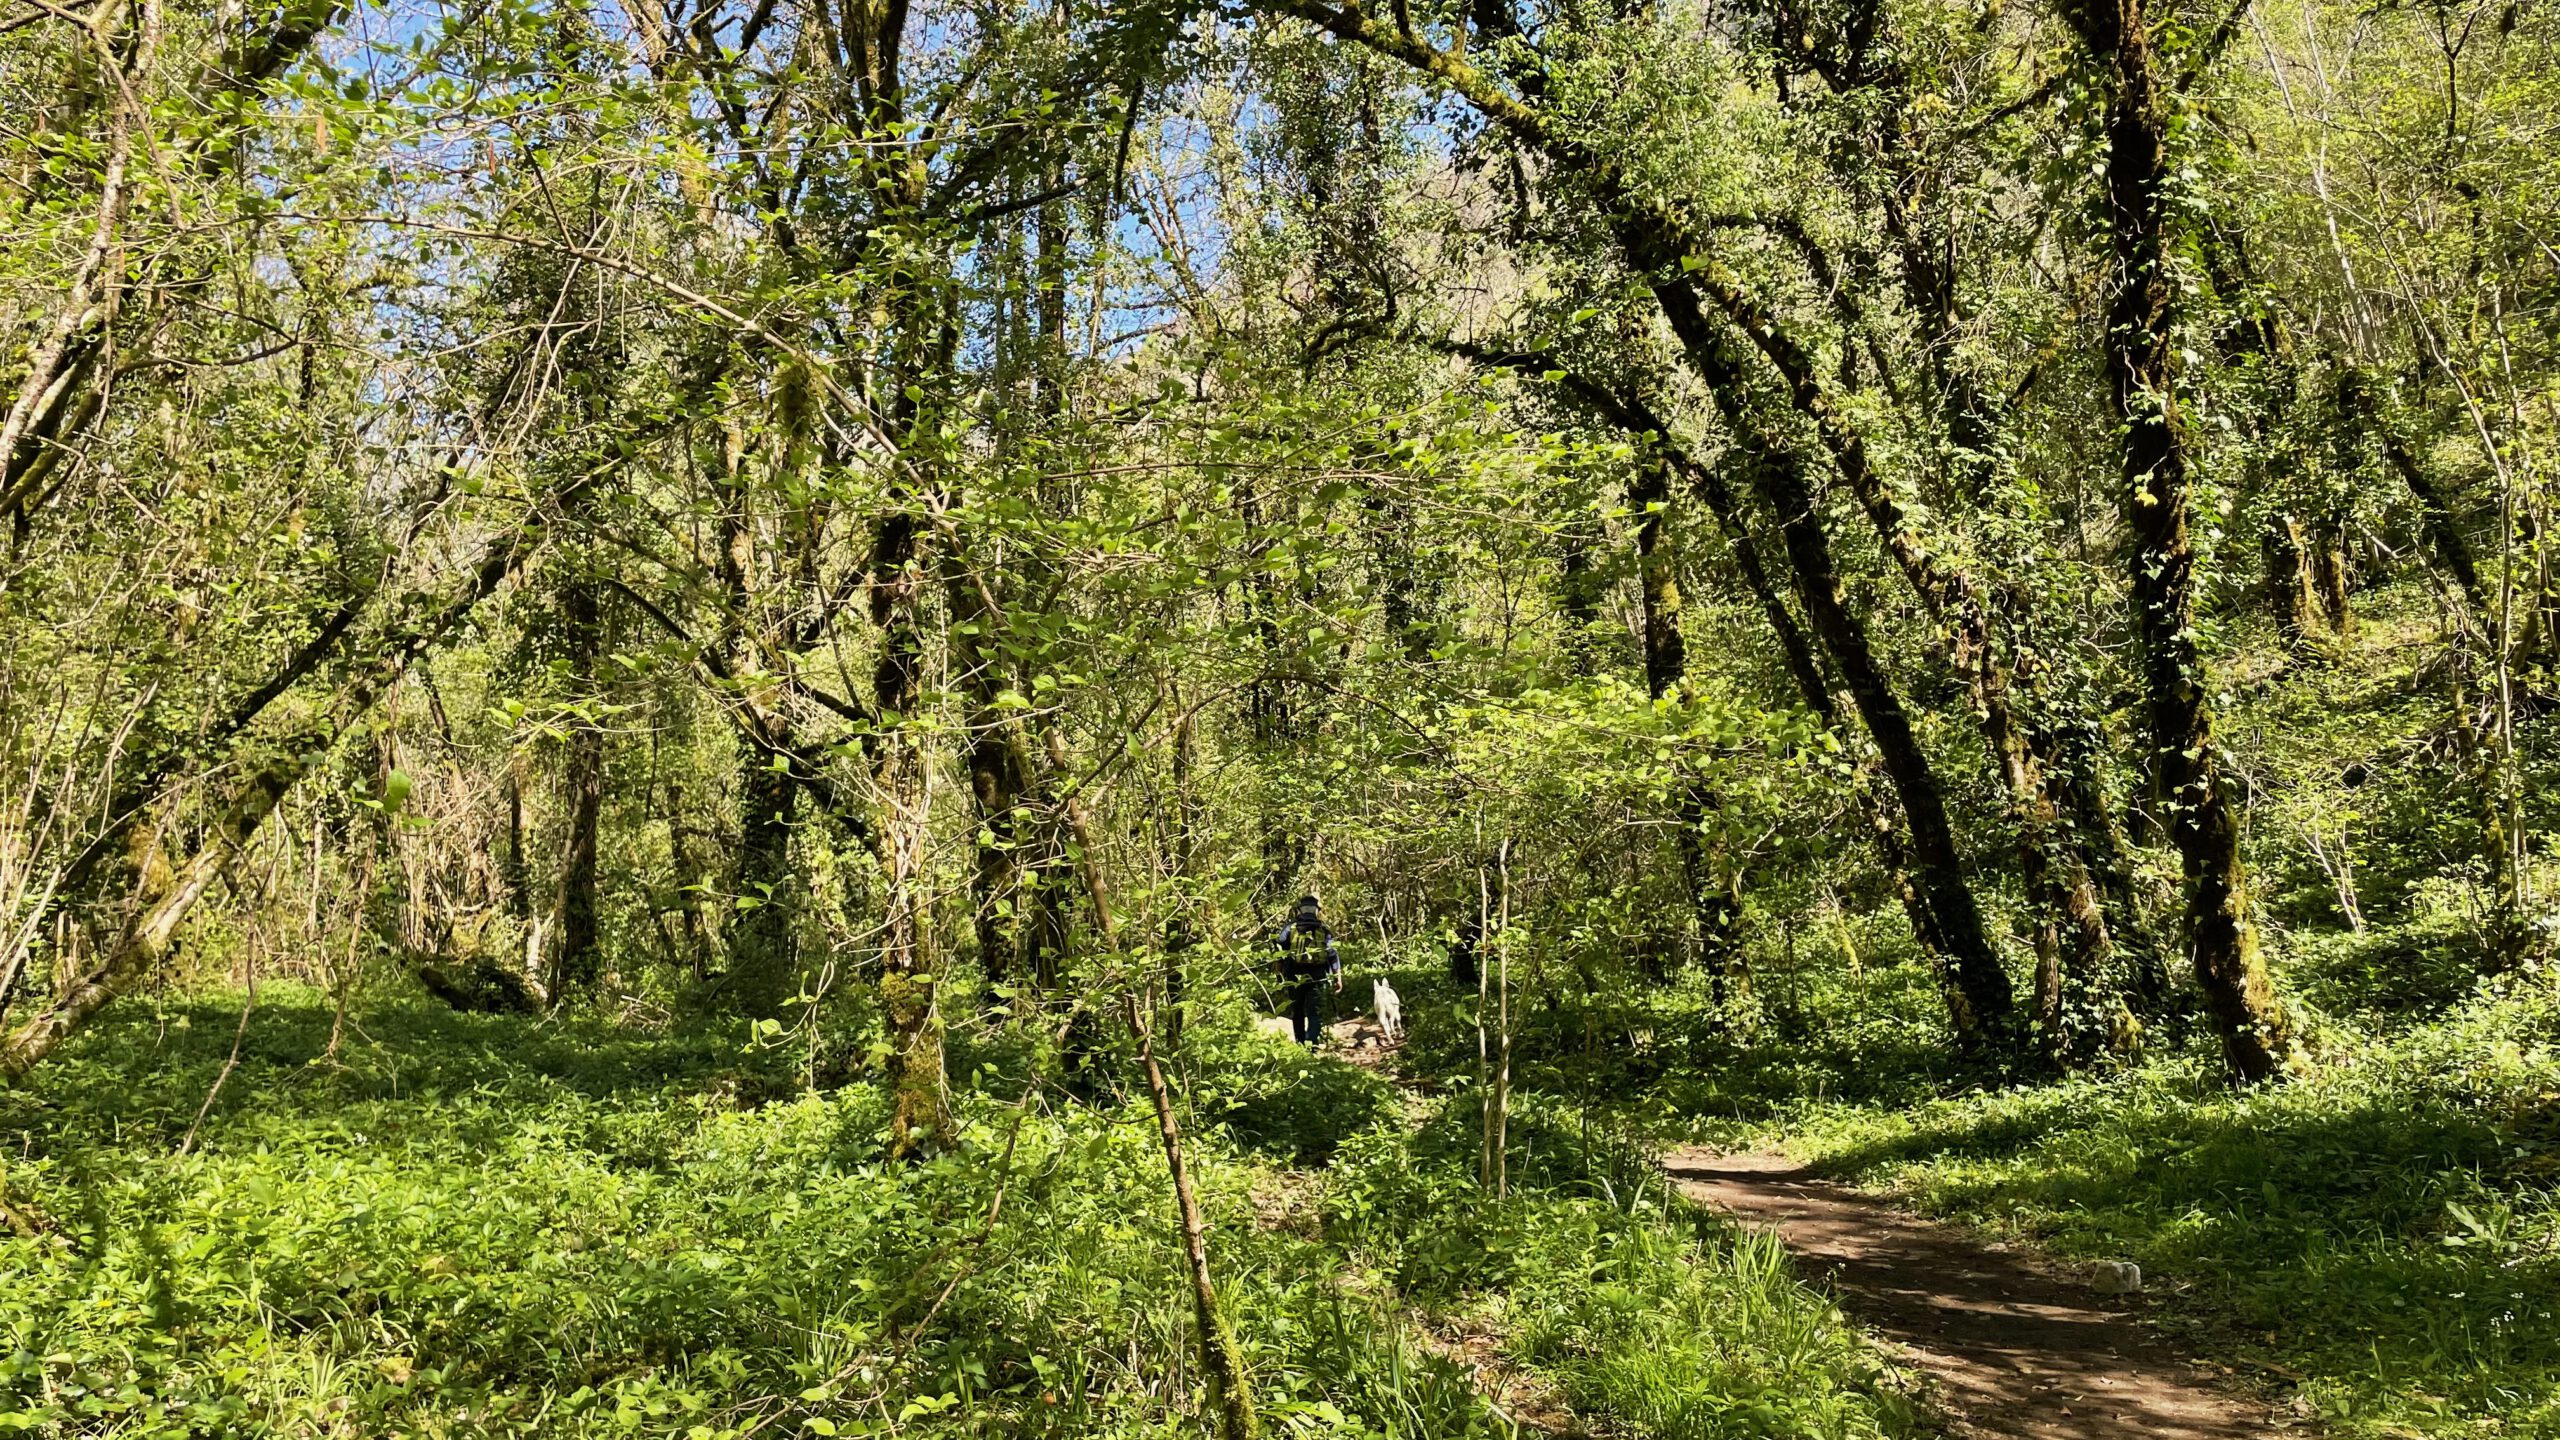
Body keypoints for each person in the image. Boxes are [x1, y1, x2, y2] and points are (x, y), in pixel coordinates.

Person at [1273, 894, 1341, 1048]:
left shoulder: (1290, 928)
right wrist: (1338, 977)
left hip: (1294, 975)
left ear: (1300, 910)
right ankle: (1311, 1044)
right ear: (1317, 911)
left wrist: (1279, 974)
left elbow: (1280, 947)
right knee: (1314, 1011)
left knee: (1297, 1010)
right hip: (1318, 975)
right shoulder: (1323, 929)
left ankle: (1300, 1043)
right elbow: (1332, 954)